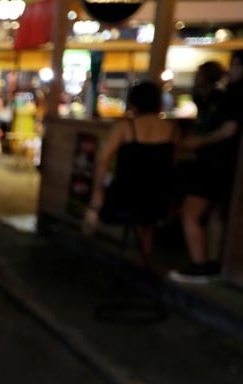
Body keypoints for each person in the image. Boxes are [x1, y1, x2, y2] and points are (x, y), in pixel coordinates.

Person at [82, 81, 179, 267]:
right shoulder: (172, 129)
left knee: (121, 209)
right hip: (158, 197)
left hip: (125, 195)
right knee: (147, 220)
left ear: (133, 103)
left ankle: (131, 260)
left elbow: (102, 161)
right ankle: (144, 260)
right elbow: (172, 164)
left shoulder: (125, 127)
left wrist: (97, 197)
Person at [168, 53, 243, 284]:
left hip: (212, 164)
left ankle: (199, 266)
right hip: (225, 166)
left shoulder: (232, 95)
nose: (230, 70)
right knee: (214, 216)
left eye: (234, 65)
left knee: (190, 213)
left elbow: (228, 130)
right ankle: (211, 265)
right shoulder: (220, 97)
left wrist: (197, 142)